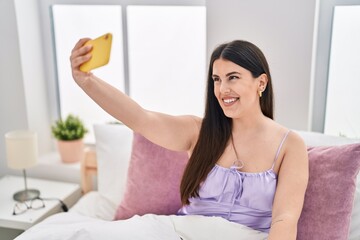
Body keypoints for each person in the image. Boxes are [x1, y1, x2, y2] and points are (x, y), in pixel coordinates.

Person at [70, 39, 309, 240]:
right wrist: (86, 81)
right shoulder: (198, 131)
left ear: (261, 83)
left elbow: (284, 219)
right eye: (217, 79)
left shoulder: (290, 145)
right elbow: (141, 119)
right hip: (182, 234)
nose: (222, 88)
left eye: (233, 77)